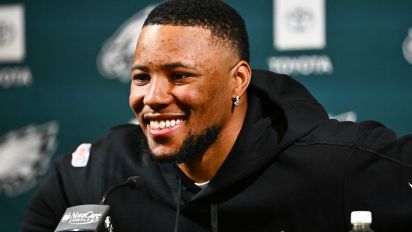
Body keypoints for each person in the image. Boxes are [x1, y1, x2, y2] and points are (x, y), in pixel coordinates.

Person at [22, 0, 412, 231]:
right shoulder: (93, 174)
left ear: (237, 81)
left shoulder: (338, 162)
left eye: (179, 76)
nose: (152, 98)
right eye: (141, 77)